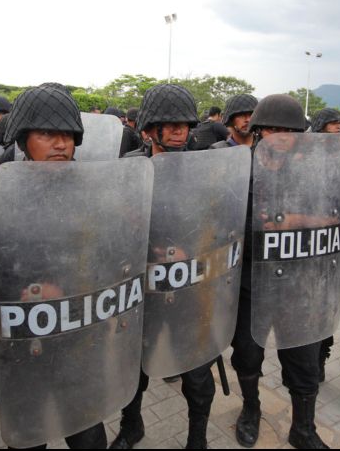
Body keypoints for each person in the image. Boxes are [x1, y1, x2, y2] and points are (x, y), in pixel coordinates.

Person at [0, 84, 107, 449]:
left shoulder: (94, 191)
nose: (60, 144)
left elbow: (109, 256)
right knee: (29, 434)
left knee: (87, 432)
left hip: (77, 335)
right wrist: (24, 290)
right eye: (47, 134)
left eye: (67, 135)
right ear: (23, 140)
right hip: (22, 340)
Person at [115, 84, 216, 450]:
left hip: (187, 286)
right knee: (133, 368)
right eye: (170, 125)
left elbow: (219, 224)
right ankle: (132, 425)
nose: (179, 131)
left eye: (184, 125)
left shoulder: (202, 168)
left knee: (197, 374)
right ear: (148, 129)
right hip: (141, 289)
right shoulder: (128, 168)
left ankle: (197, 439)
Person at [225, 94, 329, 449]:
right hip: (251, 283)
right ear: (258, 130)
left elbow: (332, 219)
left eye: (290, 131)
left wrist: (296, 220)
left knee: (304, 359)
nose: (281, 137)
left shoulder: (312, 173)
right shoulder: (237, 170)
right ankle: (251, 408)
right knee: (247, 354)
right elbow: (220, 224)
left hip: (298, 283)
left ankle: (304, 428)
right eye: (273, 129)